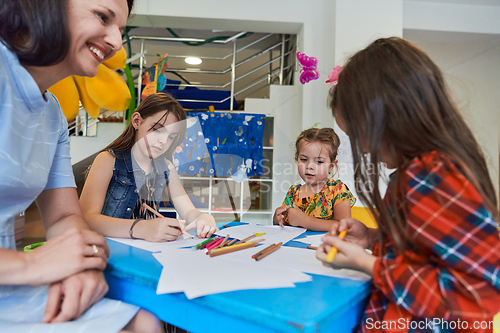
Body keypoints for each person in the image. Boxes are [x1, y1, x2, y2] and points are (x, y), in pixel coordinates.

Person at [0, 0, 164, 332]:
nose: (117, 42)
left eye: (120, 29)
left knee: (142, 321)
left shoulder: (52, 114)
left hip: (13, 283)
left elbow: (64, 217)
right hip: (14, 270)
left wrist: (81, 264)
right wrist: (32, 263)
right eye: (103, 17)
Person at [316, 37, 500, 332]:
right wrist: (374, 237)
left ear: (392, 118)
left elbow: (478, 296)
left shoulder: (431, 174)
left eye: (360, 134)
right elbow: (426, 250)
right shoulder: (416, 171)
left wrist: (369, 265)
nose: (363, 149)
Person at [80, 92, 218, 241]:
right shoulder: (108, 160)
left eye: (171, 137)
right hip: (109, 251)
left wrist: (202, 217)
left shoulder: (166, 167)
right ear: (137, 121)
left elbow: (189, 211)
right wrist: (141, 228)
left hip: (148, 253)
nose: (163, 141)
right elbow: (86, 219)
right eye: (157, 130)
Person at [273, 127, 355, 232]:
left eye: (319, 162)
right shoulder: (293, 192)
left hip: (324, 247)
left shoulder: (338, 190)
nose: (309, 166)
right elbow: (284, 226)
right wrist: (277, 219)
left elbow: (343, 227)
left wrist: (304, 221)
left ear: (331, 165)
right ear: (297, 158)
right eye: (303, 159)